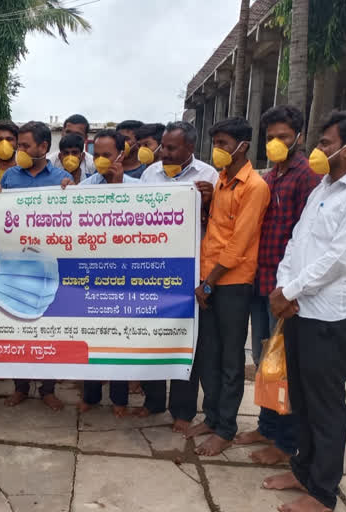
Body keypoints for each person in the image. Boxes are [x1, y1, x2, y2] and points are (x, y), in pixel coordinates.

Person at [265, 111, 346, 512]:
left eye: (326, 143)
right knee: (299, 395)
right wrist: (283, 286)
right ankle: (302, 469)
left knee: (325, 404)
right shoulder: (323, 187)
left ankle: (322, 492)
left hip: (326, 315)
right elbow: (297, 240)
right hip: (297, 306)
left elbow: (339, 259)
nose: (318, 149)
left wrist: (292, 290)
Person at [234, 105, 321, 465]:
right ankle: (267, 426)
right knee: (263, 358)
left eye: (283, 137)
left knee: (281, 365)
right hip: (260, 280)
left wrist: (291, 290)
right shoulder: (269, 177)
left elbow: (307, 238)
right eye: (270, 138)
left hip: (283, 287)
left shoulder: (306, 177)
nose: (276, 143)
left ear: (299, 137)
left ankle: (285, 444)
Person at [185, 117, 270, 457]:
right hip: (208, 281)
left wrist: (209, 282)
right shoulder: (221, 181)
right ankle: (212, 416)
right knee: (209, 353)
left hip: (231, 283)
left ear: (243, 146)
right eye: (215, 143)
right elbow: (215, 230)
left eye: (223, 143)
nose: (217, 150)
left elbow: (238, 243)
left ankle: (226, 429)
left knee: (231, 359)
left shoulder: (254, 186)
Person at [0, 121, 73, 410]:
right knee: (18, 326)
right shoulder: (10, 177)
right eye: (18, 145)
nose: (17, 150)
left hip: (49, 265)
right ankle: (20, 386)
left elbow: (73, 218)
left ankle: (47, 388)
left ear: (43, 148)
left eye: (24, 146)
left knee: (48, 328)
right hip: (17, 264)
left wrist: (72, 194)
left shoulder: (63, 179)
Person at [138, 121, 218, 434]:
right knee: (152, 337)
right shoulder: (150, 174)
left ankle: (183, 410)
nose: (163, 153)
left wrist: (209, 203)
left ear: (190, 149)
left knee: (188, 340)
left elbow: (220, 225)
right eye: (163, 146)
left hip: (190, 272)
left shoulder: (209, 176)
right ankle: (153, 401)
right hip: (154, 269)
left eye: (171, 148)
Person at [75, 129, 139, 416]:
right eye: (97, 155)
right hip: (91, 273)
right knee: (91, 336)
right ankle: (90, 396)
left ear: (121, 155)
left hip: (126, 275)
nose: (101, 160)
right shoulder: (85, 188)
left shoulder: (141, 189)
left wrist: (118, 184)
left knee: (119, 339)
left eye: (107, 155)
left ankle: (119, 399)